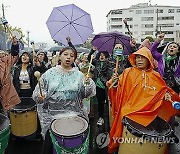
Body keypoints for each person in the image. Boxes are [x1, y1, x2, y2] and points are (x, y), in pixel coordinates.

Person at [107, 47, 180, 153]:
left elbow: (162, 90)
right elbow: (116, 89)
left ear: (149, 59)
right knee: (123, 117)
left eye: (142, 57)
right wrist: (113, 83)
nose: (139, 60)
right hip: (130, 109)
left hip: (149, 112)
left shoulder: (155, 76)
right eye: (137, 57)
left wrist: (166, 95)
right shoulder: (128, 72)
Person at [32, 46, 96, 154]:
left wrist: (88, 85)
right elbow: (38, 93)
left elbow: (86, 94)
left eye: (72, 56)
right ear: (60, 56)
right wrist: (40, 96)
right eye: (65, 54)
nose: (68, 58)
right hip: (52, 118)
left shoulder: (79, 75)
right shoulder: (49, 74)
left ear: (74, 59)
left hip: (75, 117)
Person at [88, 46, 112, 126]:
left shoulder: (109, 64)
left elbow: (109, 75)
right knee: (100, 103)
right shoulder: (97, 63)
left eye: (103, 55)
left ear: (106, 56)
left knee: (108, 103)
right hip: (98, 86)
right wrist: (92, 51)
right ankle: (101, 117)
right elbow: (89, 59)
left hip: (106, 86)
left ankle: (109, 119)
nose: (102, 56)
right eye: (100, 55)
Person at [0, 37, 21, 113]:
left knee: (6, 122)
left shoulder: (4, 62)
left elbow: (14, 56)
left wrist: (15, 45)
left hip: (6, 99)